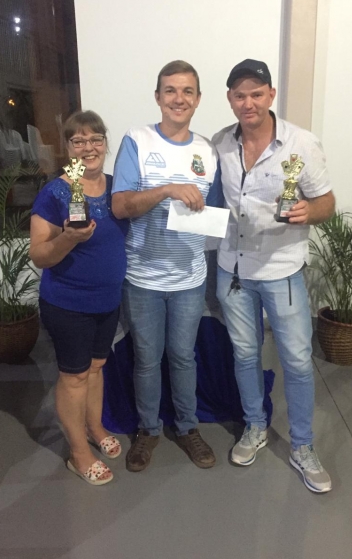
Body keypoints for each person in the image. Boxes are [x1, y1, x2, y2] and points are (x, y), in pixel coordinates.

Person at [213, 59, 335, 493]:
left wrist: (308, 211)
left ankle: (302, 446)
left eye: (256, 94)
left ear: (271, 95)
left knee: (298, 361)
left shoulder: (301, 142)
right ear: (230, 99)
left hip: (282, 271)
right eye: (240, 95)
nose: (248, 102)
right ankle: (255, 426)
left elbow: (327, 203)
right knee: (245, 354)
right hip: (233, 270)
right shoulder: (219, 143)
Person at [112, 60, 222, 472]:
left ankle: (188, 427)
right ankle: (149, 429)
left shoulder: (207, 150)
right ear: (158, 97)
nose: (179, 98)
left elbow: (217, 213)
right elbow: (120, 205)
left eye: (187, 91)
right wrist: (167, 190)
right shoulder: (137, 140)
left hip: (190, 277)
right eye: (171, 90)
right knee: (146, 358)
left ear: (198, 99)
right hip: (142, 277)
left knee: (183, 357)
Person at [29, 110, 128, 485]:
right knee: (74, 378)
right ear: (68, 148)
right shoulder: (55, 193)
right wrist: (69, 238)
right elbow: (39, 255)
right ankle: (78, 452)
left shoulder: (117, 188)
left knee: (96, 368)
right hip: (68, 304)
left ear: (105, 143)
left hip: (108, 300)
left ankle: (95, 427)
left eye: (95, 139)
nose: (89, 147)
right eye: (79, 140)